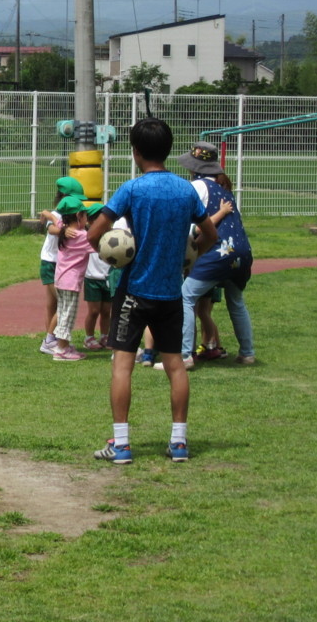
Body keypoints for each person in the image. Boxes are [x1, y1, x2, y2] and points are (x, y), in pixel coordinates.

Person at [88, 118, 216, 464]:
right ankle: (179, 443)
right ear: (169, 150)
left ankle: (122, 445)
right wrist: (190, 260)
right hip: (171, 293)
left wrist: (113, 253)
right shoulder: (186, 191)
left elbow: (94, 233)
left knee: (122, 365)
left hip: (134, 291)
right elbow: (210, 235)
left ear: (136, 151)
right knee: (175, 366)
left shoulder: (131, 189)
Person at [177, 141, 257, 366]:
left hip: (219, 252)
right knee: (236, 302)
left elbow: (195, 225)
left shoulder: (197, 186)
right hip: (242, 253)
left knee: (185, 296)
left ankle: (184, 355)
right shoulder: (225, 190)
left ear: (195, 167)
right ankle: (247, 352)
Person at [36, 176, 85, 355]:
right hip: (51, 263)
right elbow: (52, 229)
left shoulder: (63, 216)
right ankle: (51, 340)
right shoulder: (57, 215)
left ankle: (52, 339)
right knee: (61, 304)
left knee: (54, 303)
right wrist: (64, 230)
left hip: (59, 264)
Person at [49, 195, 94, 361]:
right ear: (78, 216)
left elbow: (56, 222)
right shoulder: (80, 235)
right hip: (70, 282)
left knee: (63, 312)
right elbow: (99, 245)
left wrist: (47, 214)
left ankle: (63, 345)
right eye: (85, 215)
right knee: (68, 315)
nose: (87, 218)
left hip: (61, 279)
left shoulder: (65, 230)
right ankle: (61, 350)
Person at [81, 202, 112, 351]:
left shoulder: (112, 235)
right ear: (91, 221)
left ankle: (105, 335)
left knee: (106, 311)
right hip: (92, 278)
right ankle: (89, 337)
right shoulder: (87, 236)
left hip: (108, 278)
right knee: (93, 311)